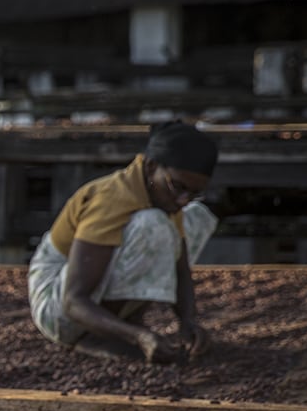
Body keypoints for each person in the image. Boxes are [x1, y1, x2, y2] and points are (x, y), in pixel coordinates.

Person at [27, 121, 220, 364]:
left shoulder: (165, 196)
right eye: (179, 187)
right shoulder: (111, 198)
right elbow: (73, 301)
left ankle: (122, 325)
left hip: (79, 299)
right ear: (150, 167)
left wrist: (188, 323)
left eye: (193, 193)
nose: (183, 200)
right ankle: (94, 336)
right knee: (152, 225)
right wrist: (138, 337)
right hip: (57, 307)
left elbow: (180, 269)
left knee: (196, 217)